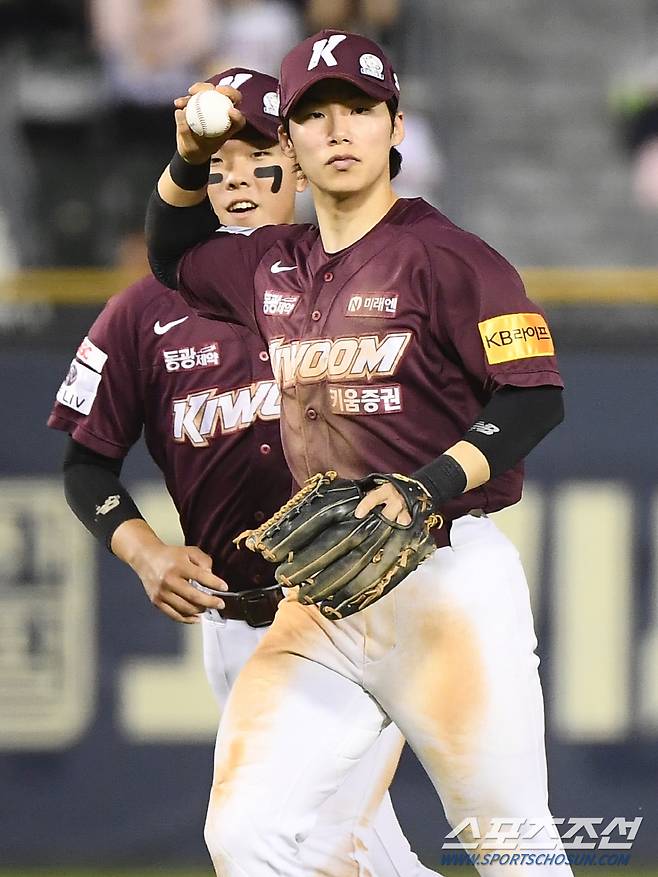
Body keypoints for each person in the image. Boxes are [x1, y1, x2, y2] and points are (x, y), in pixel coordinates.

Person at [146, 29, 572, 877]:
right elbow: (173, 254)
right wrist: (187, 160)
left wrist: (426, 486)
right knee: (246, 836)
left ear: (396, 127)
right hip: (327, 596)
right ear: (291, 149)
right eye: (314, 114)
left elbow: (534, 395)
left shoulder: (448, 256)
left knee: (513, 848)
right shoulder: (274, 262)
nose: (339, 130)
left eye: (359, 110)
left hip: (448, 582)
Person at [48, 67, 438, 877]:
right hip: (233, 619)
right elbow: (87, 463)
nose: (235, 177)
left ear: (298, 165)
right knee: (354, 851)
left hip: (353, 607)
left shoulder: (359, 282)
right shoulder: (142, 311)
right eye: (214, 159)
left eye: (258, 154)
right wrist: (146, 550)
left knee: (288, 843)